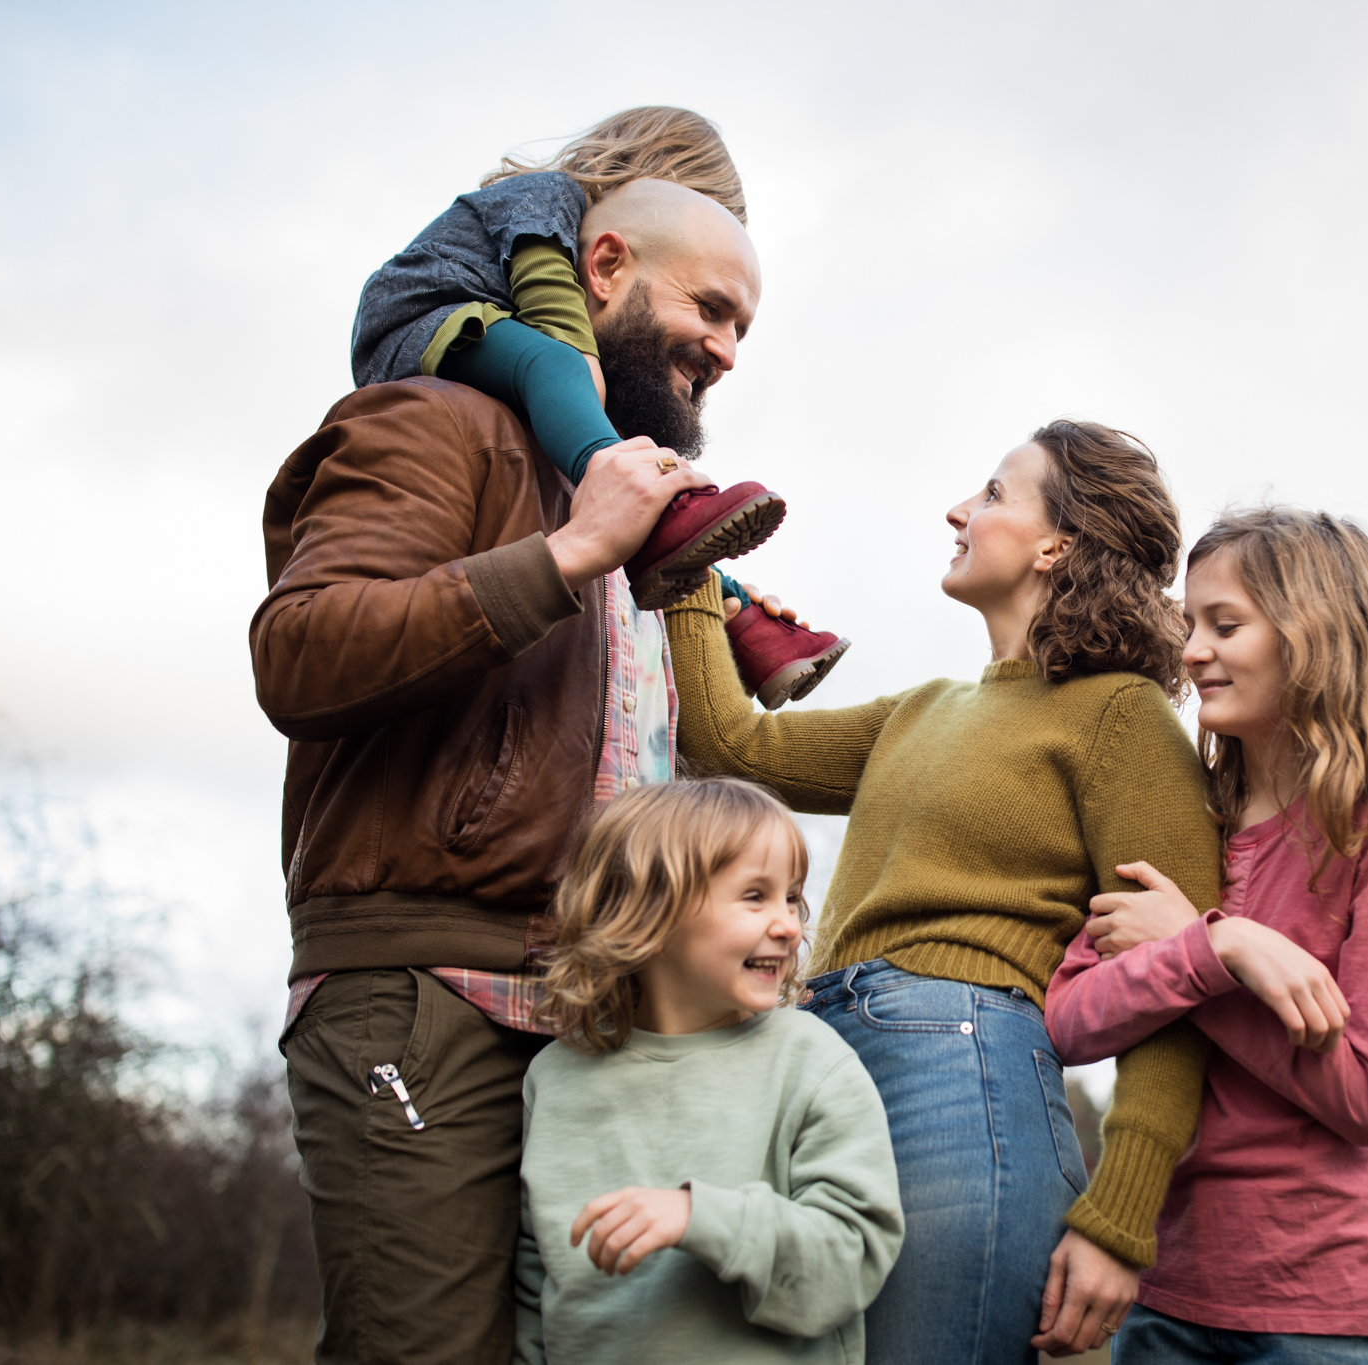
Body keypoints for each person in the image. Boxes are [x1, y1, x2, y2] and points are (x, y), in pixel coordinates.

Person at [252, 118, 767, 1365]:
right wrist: (568, 554)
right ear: (603, 268)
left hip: (597, 1019)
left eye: (743, 329)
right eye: (708, 309)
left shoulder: (629, 510)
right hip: (430, 995)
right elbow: (300, 651)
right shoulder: (437, 419)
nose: (724, 349)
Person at [666, 420, 1220, 1362]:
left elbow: (1175, 985)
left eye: (994, 493)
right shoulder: (922, 709)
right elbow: (728, 745)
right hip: (816, 1067)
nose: (959, 511)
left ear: (1057, 545)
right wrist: (690, 573)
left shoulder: (1121, 715)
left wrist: (1121, 1217)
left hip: (963, 1084)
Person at [1042, 507, 1368, 1364]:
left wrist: (1198, 948)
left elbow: (1366, 1096)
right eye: (1190, 624)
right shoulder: (1185, 818)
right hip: (1167, 1293)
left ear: (1314, 638)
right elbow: (1069, 1020)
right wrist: (1219, 949)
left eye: (1225, 625)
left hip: (1321, 1313)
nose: (1191, 651)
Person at [353, 104, 846, 705]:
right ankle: (656, 511)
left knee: (628, 473)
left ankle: (737, 614)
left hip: (498, 348)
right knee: (571, 385)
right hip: (420, 322)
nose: (727, 354)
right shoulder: (544, 199)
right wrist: (619, 459)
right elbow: (557, 321)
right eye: (708, 305)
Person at [515, 778, 903, 1365]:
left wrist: (702, 1218)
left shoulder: (811, 1059)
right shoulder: (552, 1078)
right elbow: (533, 1287)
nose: (790, 925)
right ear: (649, 915)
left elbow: (853, 1261)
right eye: (755, 896)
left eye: (791, 898)